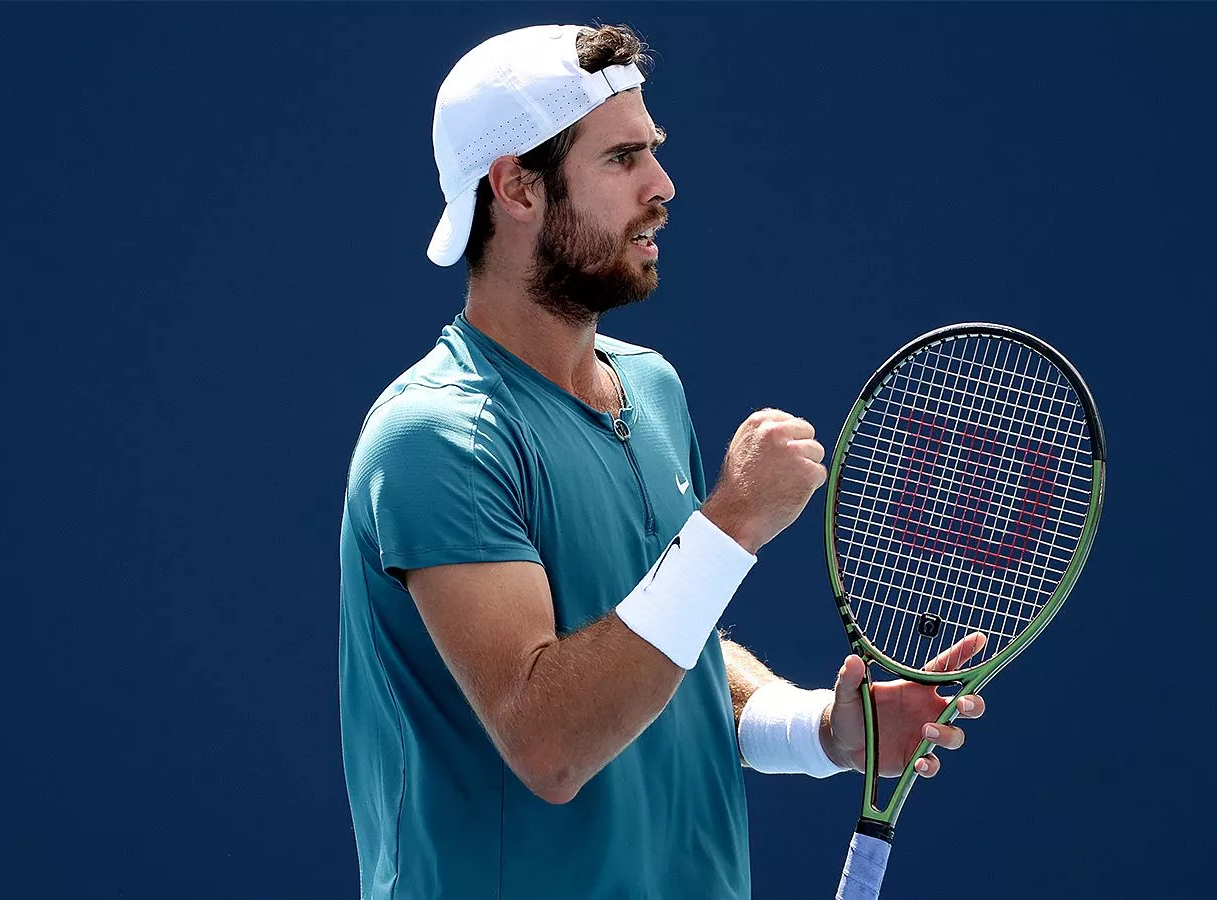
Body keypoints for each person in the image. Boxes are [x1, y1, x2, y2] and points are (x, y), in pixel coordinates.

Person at [339, 23, 988, 899]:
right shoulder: (438, 437)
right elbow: (551, 743)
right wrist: (732, 524)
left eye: (654, 150)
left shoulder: (651, 388)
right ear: (518, 187)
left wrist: (821, 730)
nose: (662, 185)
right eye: (621, 158)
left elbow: (661, 651)